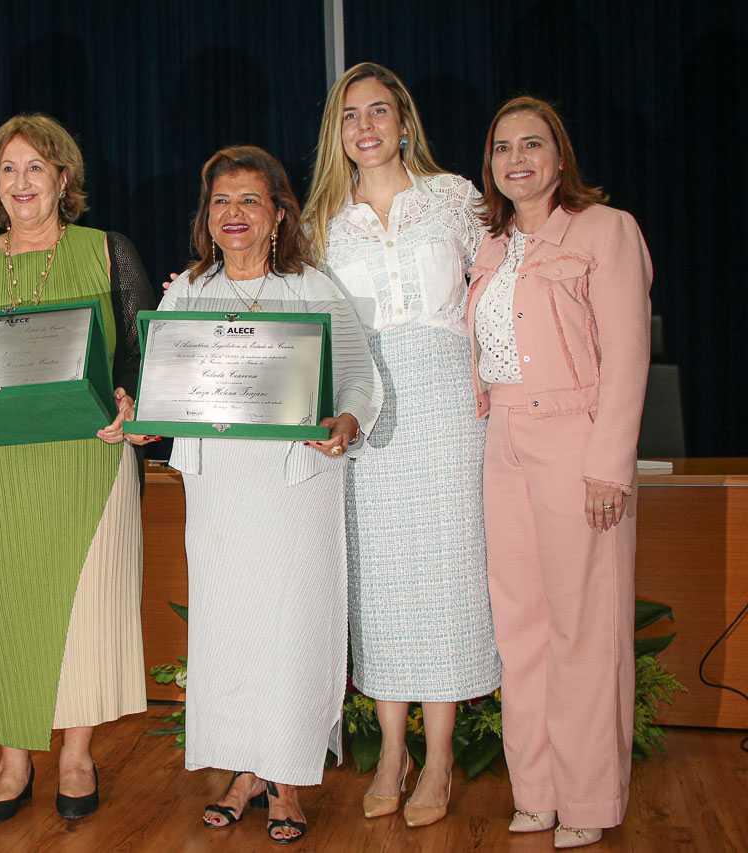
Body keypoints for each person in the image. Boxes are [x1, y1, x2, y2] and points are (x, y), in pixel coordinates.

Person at [0, 113, 155, 823]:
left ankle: (76, 754)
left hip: (87, 461)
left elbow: (146, 350)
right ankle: (11, 757)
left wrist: (130, 398)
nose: (21, 182)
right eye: (7, 169)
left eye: (35, 167)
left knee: (84, 611)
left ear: (63, 178)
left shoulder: (107, 251)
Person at [151, 145, 382, 843]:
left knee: (292, 627)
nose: (235, 214)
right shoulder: (189, 289)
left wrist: (346, 421)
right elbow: (164, 383)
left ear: (279, 213)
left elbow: (358, 382)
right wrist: (143, 418)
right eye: (222, 201)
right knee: (229, 628)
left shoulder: (310, 285)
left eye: (250, 200)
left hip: (294, 487)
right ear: (207, 216)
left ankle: (284, 777)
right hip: (219, 487)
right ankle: (244, 770)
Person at [300, 62, 501, 827]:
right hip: (366, 404)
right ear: (338, 133)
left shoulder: (454, 198)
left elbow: (497, 290)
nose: (366, 126)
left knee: (448, 573)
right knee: (379, 578)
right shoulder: (322, 219)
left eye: (379, 111)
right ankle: (392, 750)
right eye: (351, 115)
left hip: (450, 398)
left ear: (404, 121)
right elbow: (302, 319)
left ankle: (441, 755)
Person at [468, 96, 651, 849]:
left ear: (560, 154)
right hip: (502, 436)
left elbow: (629, 355)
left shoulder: (606, 230)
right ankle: (536, 790)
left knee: (586, 625)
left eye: (533, 143)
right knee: (521, 627)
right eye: (503, 146)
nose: (517, 157)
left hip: (575, 441)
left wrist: (609, 467)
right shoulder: (491, 244)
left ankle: (587, 797)